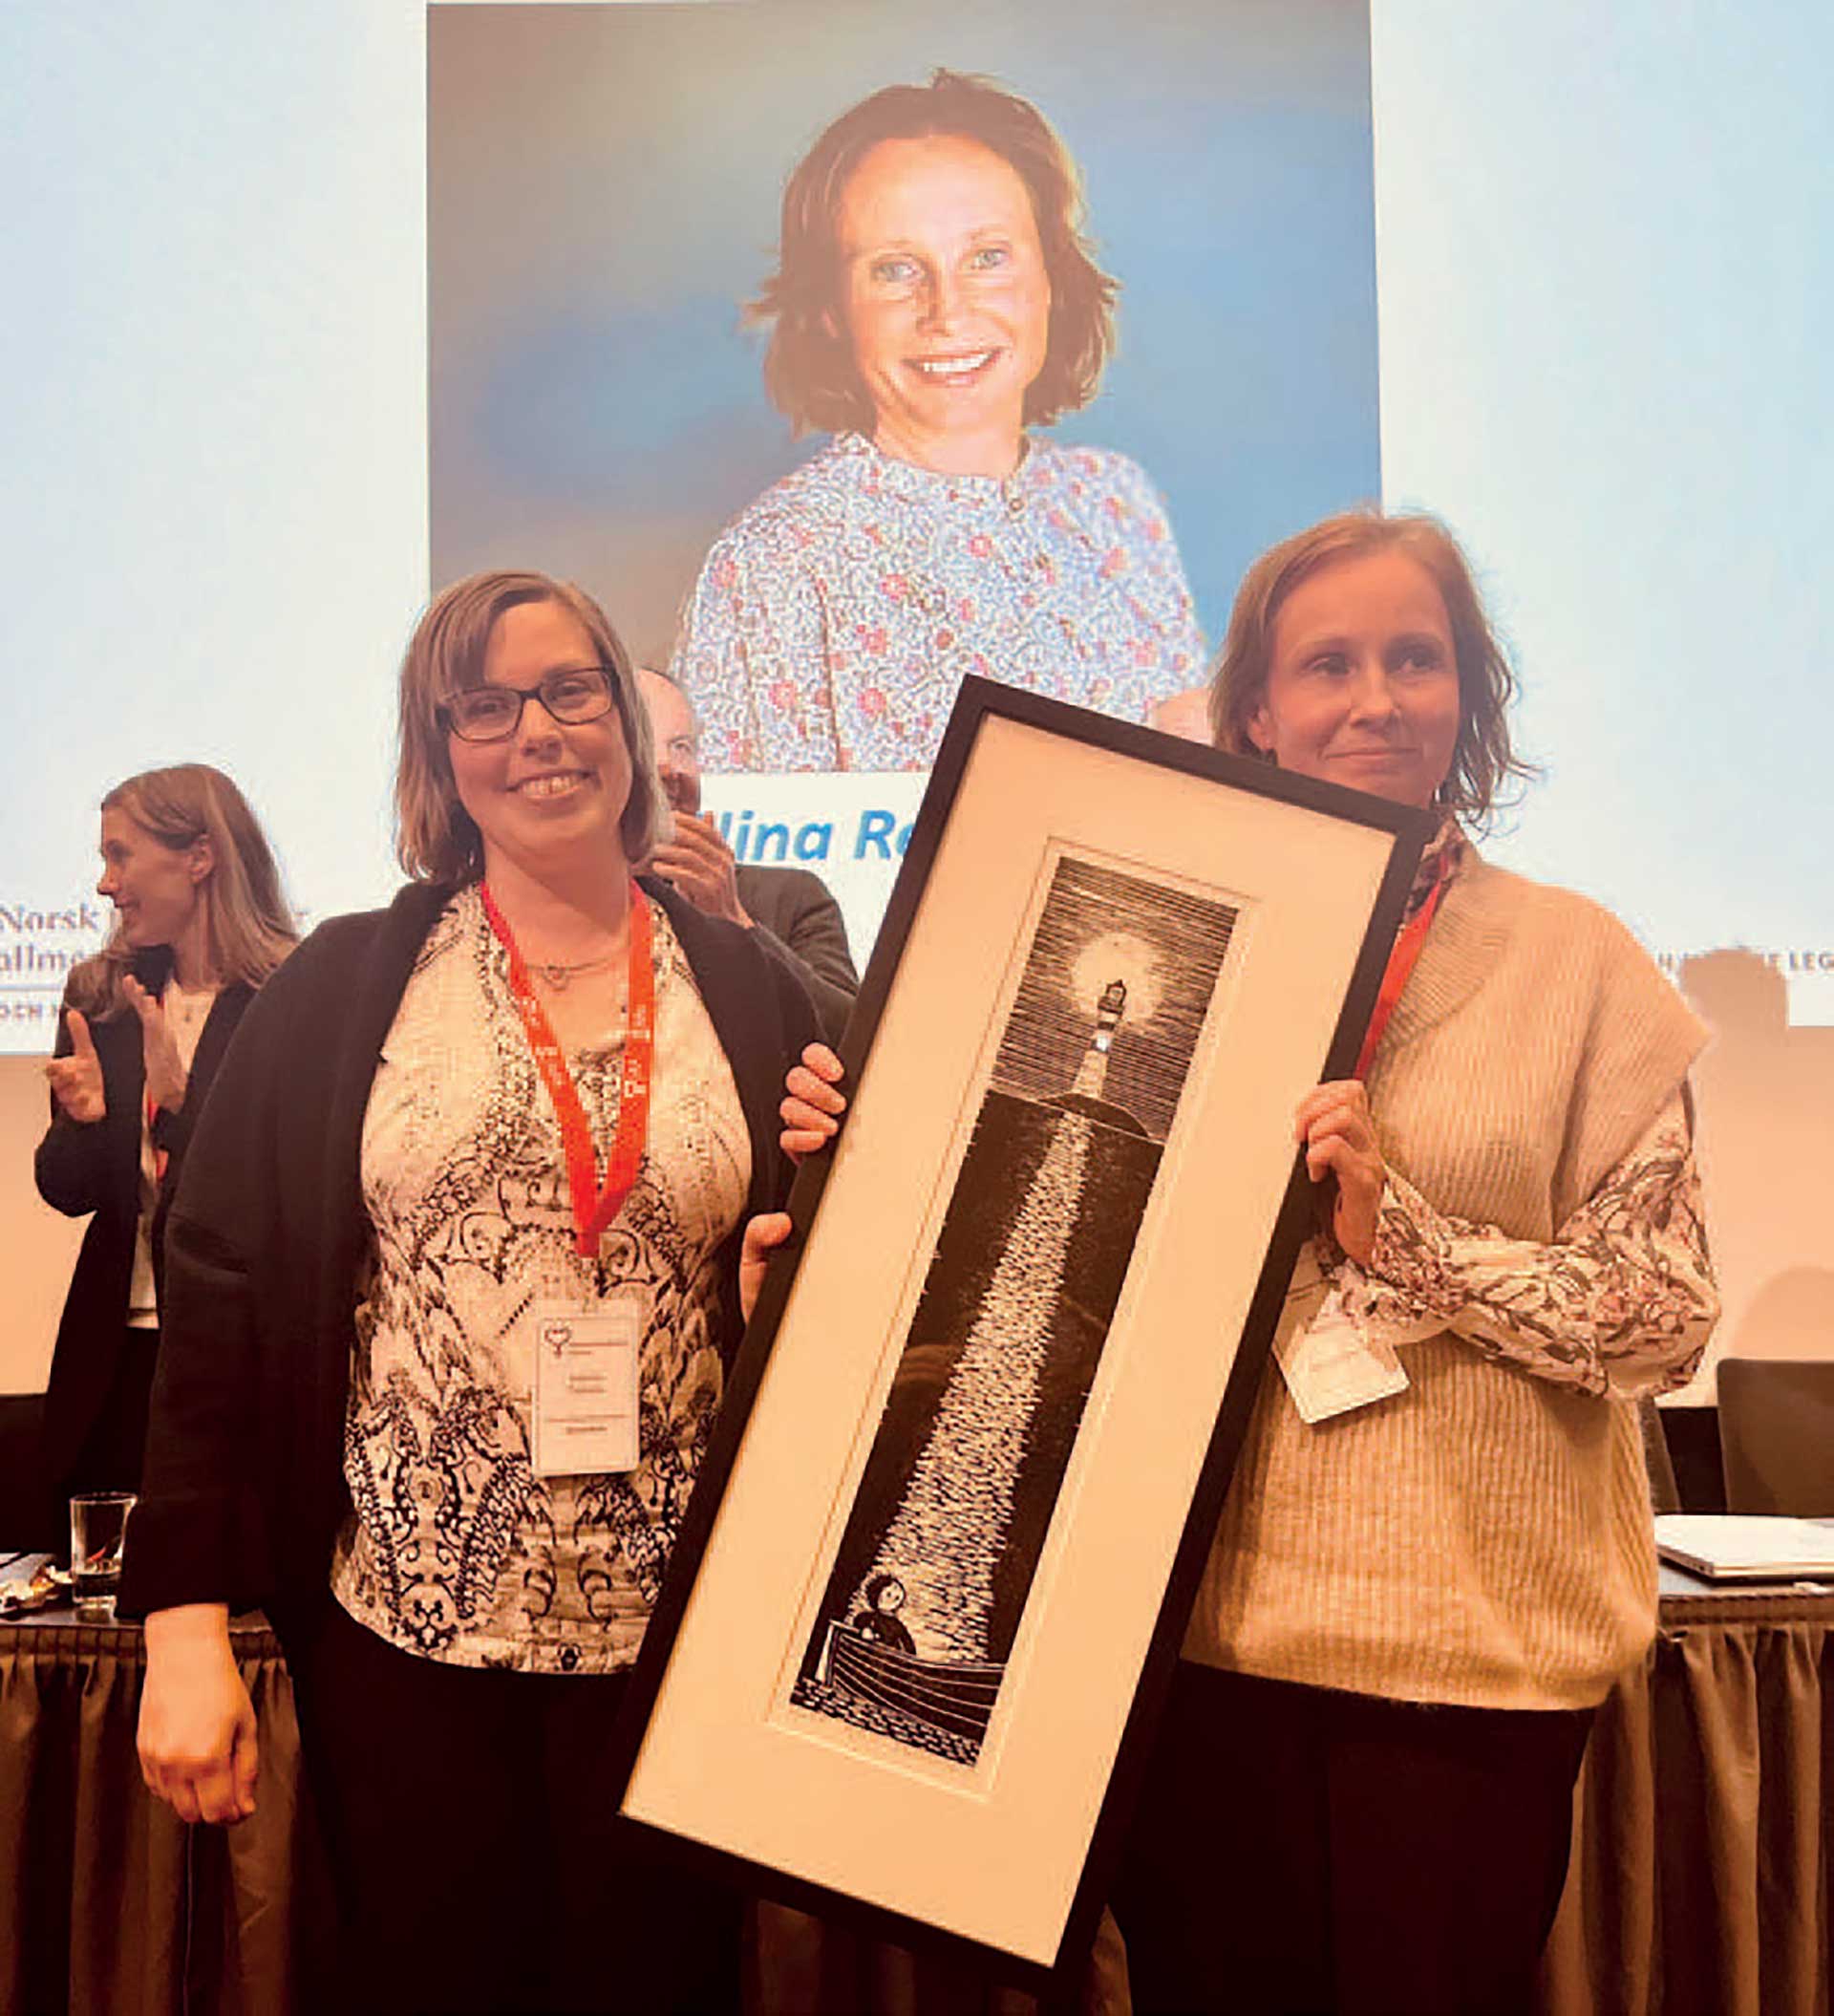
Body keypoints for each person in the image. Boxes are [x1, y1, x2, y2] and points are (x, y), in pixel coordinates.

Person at [781, 509, 1718, 2015]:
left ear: (1468, 692)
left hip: (1465, 1671)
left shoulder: (1578, 959)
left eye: (1416, 659)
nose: (1376, 699)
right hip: (1190, 1646)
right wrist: (871, 1136)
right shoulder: (1165, 940)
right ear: (1259, 712)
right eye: (1328, 664)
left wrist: (1407, 1239)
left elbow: (1665, 1314)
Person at [122, 571, 821, 2014]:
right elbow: (220, 1278)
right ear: (439, 753)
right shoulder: (344, 984)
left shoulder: (751, 990)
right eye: (485, 707)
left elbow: (809, 1281)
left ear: (625, 719)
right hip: (408, 1634)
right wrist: (181, 1612)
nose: (537, 732)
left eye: (570, 689)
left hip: (674, 1642)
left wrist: (785, 1296)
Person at [673, 69, 1207, 773]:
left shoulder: (1118, 501)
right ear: (831, 309)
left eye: (987, 258)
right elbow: (737, 846)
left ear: (1051, 278)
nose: (948, 313)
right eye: (896, 270)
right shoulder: (774, 564)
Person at [34, 763, 294, 1513]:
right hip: (115, 1353)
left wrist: (184, 1107)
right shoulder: (101, 997)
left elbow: (291, 1198)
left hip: (239, 1356)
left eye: (120, 856)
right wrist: (84, 1123)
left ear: (199, 858)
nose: (105, 885)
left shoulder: (289, 997)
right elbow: (65, 1191)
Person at [637, 663, 860, 1040]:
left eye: (681, 747)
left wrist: (734, 922)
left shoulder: (792, 898)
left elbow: (854, 1039)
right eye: (643, 744)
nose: (670, 769)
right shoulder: (566, 911)